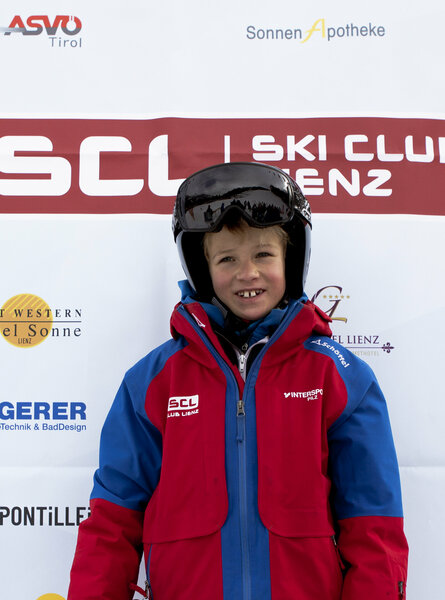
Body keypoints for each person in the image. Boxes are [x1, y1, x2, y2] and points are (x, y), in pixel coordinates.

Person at [68, 162, 408, 600]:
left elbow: (374, 527)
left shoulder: (339, 377)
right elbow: (112, 523)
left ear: (291, 260)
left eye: (263, 254)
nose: (248, 273)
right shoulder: (152, 382)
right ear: (202, 268)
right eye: (227, 258)